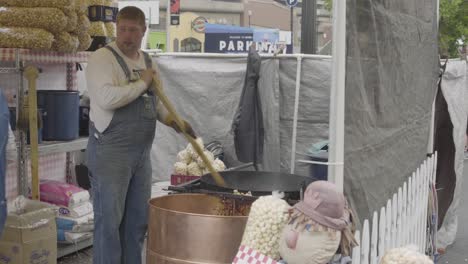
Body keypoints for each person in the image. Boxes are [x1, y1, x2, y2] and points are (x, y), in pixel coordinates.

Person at [85, 6, 195, 264]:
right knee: (109, 224)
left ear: (144, 31)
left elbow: (154, 104)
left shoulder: (148, 62)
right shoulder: (102, 59)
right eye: (122, 29)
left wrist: (173, 120)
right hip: (110, 154)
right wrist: (143, 83)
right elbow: (107, 98)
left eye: (133, 30)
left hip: (140, 155)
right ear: (116, 29)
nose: (127, 36)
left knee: (136, 222)